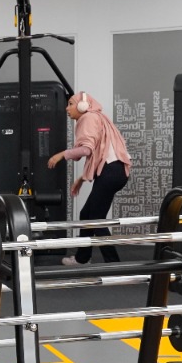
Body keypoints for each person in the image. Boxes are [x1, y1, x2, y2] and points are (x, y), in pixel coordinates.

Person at [47, 90, 132, 265]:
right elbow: (99, 156)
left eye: (71, 104)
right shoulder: (97, 118)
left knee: (95, 219)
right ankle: (82, 258)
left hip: (110, 172)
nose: (67, 108)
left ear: (82, 105)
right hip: (115, 172)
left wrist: (61, 155)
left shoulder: (88, 118)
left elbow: (86, 150)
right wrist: (81, 179)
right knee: (86, 214)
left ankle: (114, 264)